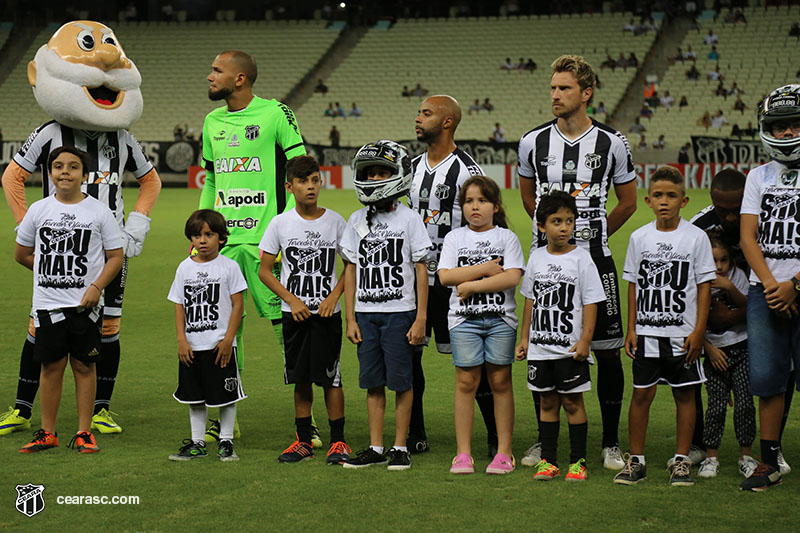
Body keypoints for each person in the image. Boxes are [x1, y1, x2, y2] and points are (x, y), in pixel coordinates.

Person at [0, 20, 161, 438]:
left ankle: (102, 409)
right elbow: (12, 177)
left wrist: (137, 223)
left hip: (107, 254)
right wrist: (27, 227)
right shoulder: (50, 133)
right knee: (40, 327)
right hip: (60, 252)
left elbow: (151, 180)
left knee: (107, 327)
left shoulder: (122, 137)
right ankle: (22, 408)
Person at [518, 55, 637, 471]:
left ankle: (610, 443)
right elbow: (529, 197)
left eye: (564, 88)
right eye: (553, 87)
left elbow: (627, 202)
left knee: (607, 352)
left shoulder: (612, 142)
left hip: (595, 264)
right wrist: (551, 236)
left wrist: (594, 236)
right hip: (547, 264)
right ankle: (544, 441)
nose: (555, 94)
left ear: (586, 93)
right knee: (544, 350)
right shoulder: (532, 141)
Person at [200, 49, 306, 443]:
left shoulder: (276, 113)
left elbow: (300, 171)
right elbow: (212, 180)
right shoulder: (212, 121)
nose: (210, 76)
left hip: (267, 245)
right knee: (224, 333)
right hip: (224, 246)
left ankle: (307, 423)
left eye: (217, 70)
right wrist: (202, 230)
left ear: (240, 79)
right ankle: (225, 421)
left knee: (287, 329)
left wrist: (289, 231)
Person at [17, 146, 124, 454]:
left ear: (84, 175)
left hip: (85, 306)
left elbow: (116, 257)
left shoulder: (99, 212)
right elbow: (22, 254)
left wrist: (96, 287)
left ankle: (84, 432)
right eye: (59, 166)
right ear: (50, 173)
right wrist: (50, 273)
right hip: (48, 305)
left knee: (84, 366)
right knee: (50, 367)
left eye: (73, 167)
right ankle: (47, 432)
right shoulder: (39, 210)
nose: (65, 171)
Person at [614, 166, 716, 487]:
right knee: (641, 395)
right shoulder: (639, 237)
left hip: (682, 336)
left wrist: (698, 331)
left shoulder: (696, 237)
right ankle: (636, 461)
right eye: (658, 195)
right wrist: (631, 329)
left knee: (685, 396)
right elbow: (632, 284)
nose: (664, 201)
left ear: (683, 201)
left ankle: (681, 461)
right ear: (648, 200)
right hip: (647, 334)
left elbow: (704, 286)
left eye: (671, 196)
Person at [408, 95, 496, 456]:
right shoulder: (411, 167)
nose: (418, 118)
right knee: (410, 358)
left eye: (426, 113)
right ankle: (415, 433)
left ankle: (495, 437)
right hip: (414, 282)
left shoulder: (468, 172)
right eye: (419, 112)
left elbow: (488, 227)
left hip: (455, 284)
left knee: (476, 364)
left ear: (447, 122)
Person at [340, 140, 431, 471]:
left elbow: (420, 269)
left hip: (400, 313)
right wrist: (350, 319)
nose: (375, 178)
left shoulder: (409, 219)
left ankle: (400, 446)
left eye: (382, 172)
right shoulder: (356, 220)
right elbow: (350, 270)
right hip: (366, 315)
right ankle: (376, 447)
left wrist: (420, 318)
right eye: (370, 173)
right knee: (373, 383)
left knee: (402, 382)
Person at [258, 155, 350, 465]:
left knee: (331, 378)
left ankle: (338, 441)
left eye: (315, 180)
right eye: (302, 181)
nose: (310, 187)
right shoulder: (280, 223)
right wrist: (292, 300)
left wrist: (333, 297)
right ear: (289, 187)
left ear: (321, 182)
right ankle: (303, 441)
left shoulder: (335, 222)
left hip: (326, 315)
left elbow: (350, 265)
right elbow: (265, 271)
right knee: (300, 378)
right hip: (294, 314)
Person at [515, 192, 605, 482]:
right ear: (541, 226)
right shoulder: (536, 257)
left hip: (569, 350)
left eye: (569, 221)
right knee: (547, 403)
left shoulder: (582, 259)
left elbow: (591, 302)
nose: (564, 227)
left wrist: (585, 341)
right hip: (541, 349)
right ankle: (548, 461)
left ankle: (578, 463)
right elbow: (530, 300)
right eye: (556, 221)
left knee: (572, 403)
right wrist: (524, 338)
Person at [439, 176, 523, 475]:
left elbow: (512, 277)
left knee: (500, 383)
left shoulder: (507, 238)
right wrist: (486, 269)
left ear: (495, 206)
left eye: (482, 201)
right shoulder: (455, 238)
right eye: (469, 201)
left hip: (500, 320)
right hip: (464, 321)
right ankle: (463, 454)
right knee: (466, 383)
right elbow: (446, 276)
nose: (475, 207)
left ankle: (504, 452)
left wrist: (472, 286)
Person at [738, 84, 800, 491]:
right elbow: (748, 237)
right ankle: (769, 461)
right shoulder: (758, 176)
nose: (787, 132)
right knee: (767, 378)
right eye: (780, 126)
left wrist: (795, 283)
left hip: (792, 286)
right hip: (767, 291)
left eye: (795, 124)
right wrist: (773, 285)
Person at [167, 210, 247, 462]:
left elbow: (238, 305)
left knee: (226, 396)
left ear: (221, 238)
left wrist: (228, 340)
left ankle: (226, 442)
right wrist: (181, 340)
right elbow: (179, 305)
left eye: (209, 234)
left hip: (219, 345)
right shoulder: (184, 267)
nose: (202, 240)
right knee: (194, 396)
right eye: (196, 235)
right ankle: (197, 443)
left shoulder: (229, 267)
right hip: (192, 345)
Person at [696, 229, 757, 479]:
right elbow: (692, 320)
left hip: (741, 349)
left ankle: (746, 456)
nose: (719, 266)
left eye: (723, 260)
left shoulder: (737, 276)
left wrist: (730, 287)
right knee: (716, 406)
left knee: (744, 404)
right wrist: (708, 349)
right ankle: (711, 457)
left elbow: (749, 306)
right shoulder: (698, 281)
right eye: (713, 260)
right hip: (714, 353)